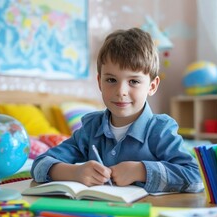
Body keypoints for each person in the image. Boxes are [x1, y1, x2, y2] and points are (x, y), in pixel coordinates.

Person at [31, 28, 203, 193]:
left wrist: (141, 171)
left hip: (147, 216)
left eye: (134, 81)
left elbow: (196, 178)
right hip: (101, 214)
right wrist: (75, 173)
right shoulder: (90, 129)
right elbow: (39, 164)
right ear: (99, 82)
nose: (121, 91)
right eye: (111, 79)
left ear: (152, 86)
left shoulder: (160, 130)